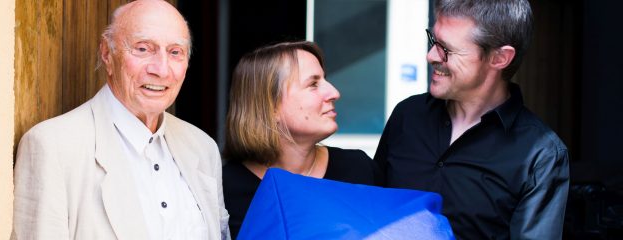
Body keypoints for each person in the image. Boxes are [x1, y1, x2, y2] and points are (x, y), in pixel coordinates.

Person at [12, 0, 230, 239]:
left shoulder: (203, 148)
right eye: (143, 49)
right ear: (107, 53)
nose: (161, 69)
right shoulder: (52, 146)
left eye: (175, 52)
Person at [374, 0, 569, 239]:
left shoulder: (541, 155)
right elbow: (370, 214)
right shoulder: (407, 116)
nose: (431, 55)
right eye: (433, 40)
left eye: (447, 49)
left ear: (499, 58)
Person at [222, 41, 383, 238]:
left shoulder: (358, 169)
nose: (334, 93)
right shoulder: (224, 190)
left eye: (325, 79)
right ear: (270, 106)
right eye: (313, 84)